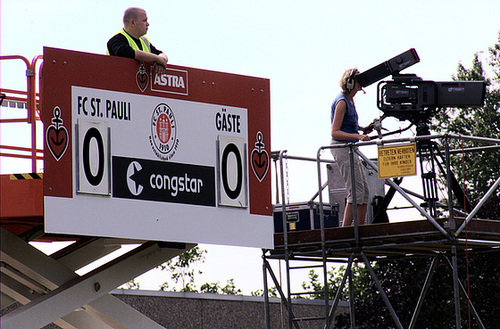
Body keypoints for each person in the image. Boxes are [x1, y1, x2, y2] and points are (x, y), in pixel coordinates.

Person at [330, 68, 371, 227]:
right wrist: (358, 136)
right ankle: (346, 232)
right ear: (351, 82)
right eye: (358, 80)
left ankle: (360, 230)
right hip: (342, 148)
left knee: (364, 192)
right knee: (354, 192)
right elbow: (335, 132)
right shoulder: (342, 102)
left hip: (350, 148)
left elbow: (348, 125)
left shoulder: (351, 101)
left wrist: (362, 129)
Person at [107, 7, 168, 73]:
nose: (148, 24)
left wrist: (161, 60)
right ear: (133, 22)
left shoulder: (144, 40)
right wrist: (156, 58)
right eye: (144, 20)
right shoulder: (116, 39)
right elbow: (127, 53)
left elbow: (160, 54)